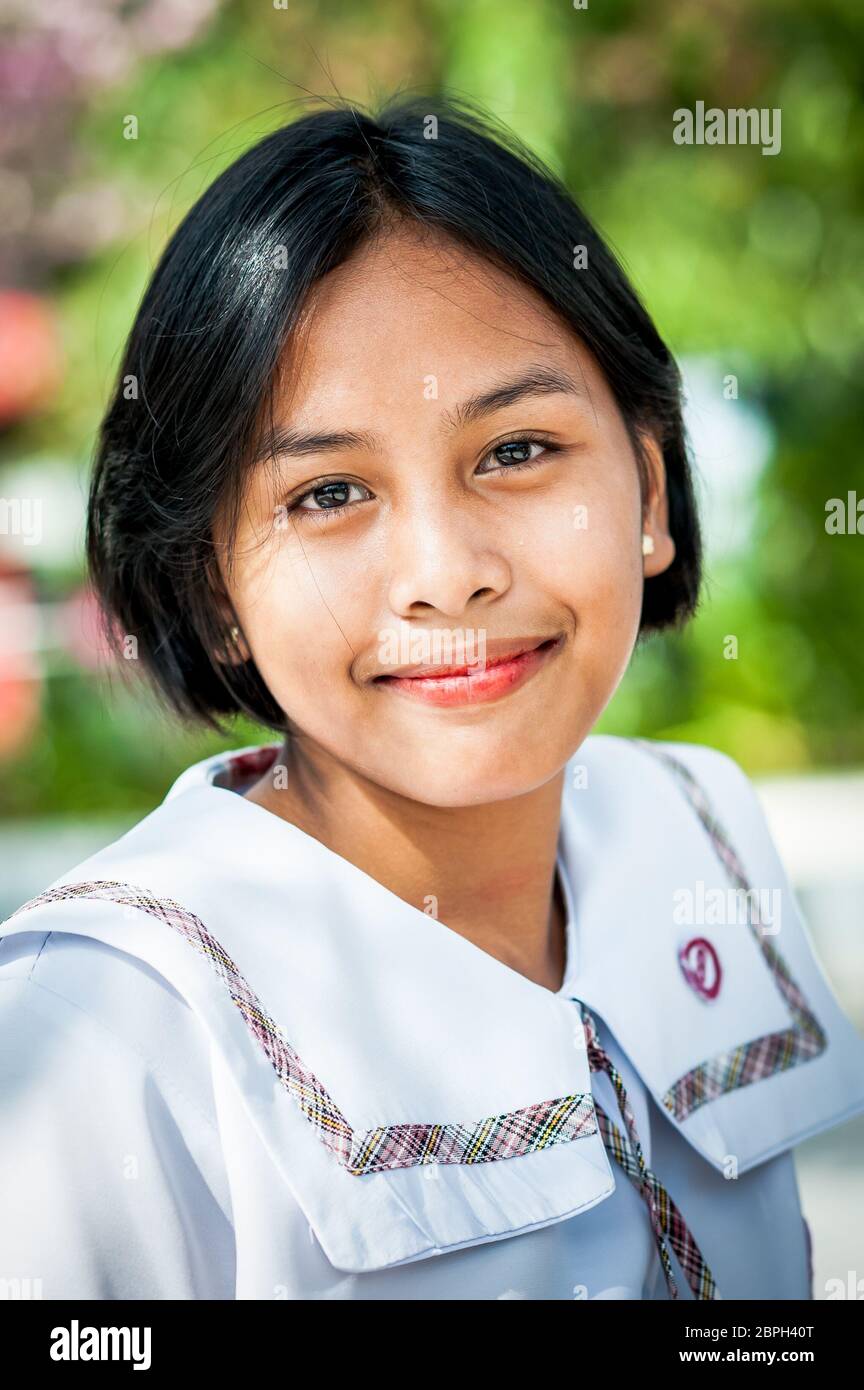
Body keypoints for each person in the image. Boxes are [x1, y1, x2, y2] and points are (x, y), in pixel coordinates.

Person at [1, 94, 862, 1302]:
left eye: (516, 451)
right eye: (328, 494)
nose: (448, 572)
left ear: (650, 491)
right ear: (210, 590)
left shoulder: (694, 830)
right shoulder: (97, 1029)